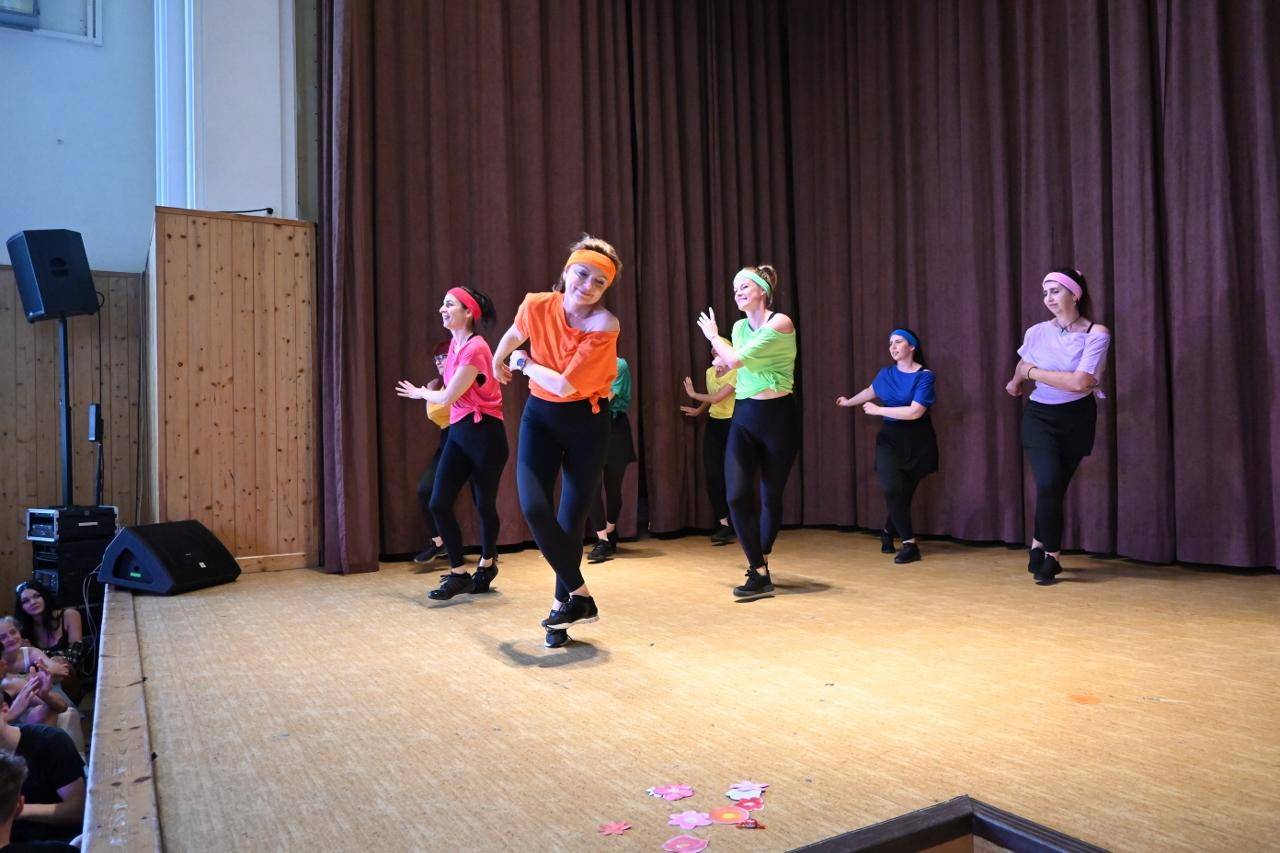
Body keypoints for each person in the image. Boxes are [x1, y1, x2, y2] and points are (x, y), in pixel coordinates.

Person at [492, 235, 621, 647]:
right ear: (566, 271)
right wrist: (498, 357)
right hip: (540, 418)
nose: (588, 285)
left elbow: (565, 385)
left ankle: (559, 613)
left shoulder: (604, 324)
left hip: (587, 422)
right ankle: (580, 596)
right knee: (534, 507)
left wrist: (522, 362)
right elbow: (515, 332)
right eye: (582, 274)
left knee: (570, 522)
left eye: (599, 281)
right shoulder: (536, 304)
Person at [396, 286, 508, 599]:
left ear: (468, 312)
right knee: (438, 502)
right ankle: (459, 573)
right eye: (442, 304)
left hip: (485, 435)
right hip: (459, 432)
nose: (442, 310)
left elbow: (448, 396)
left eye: (449, 305)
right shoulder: (455, 348)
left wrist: (421, 392)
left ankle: (487, 563)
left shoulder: (476, 348)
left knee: (484, 504)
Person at [695, 265, 798, 598]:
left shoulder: (780, 323)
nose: (737, 292)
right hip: (745, 415)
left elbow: (737, 360)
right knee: (736, 495)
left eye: (744, 286)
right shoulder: (739, 327)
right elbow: (735, 361)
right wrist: (722, 359)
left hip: (778, 417)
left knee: (771, 494)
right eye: (734, 288)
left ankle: (761, 561)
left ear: (762, 291)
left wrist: (714, 337)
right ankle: (758, 570)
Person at [1006, 267, 1111, 585]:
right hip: (1039, 416)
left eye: (1055, 291)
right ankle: (1052, 554)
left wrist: (1032, 373)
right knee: (1049, 481)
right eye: (1045, 293)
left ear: (1075, 295)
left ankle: (1039, 542)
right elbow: (1022, 364)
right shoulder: (1036, 331)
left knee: (1054, 488)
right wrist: (1016, 381)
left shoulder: (1096, 333)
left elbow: (1080, 382)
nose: (1048, 298)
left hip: (1077, 419)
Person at [836, 328, 938, 563]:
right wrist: (849, 402)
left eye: (898, 342)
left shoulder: (925, 376)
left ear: (912, 347)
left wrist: (879, 410)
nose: (893, 347)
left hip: (918, 441)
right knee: (892, 489)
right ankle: (909, 544)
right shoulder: (885, 373)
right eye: (890, 343)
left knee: (904, 494)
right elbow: (870, 391)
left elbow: (915, 412)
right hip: (890, 439)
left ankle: (887, 532)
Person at [0, 691, 85, 845]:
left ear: (5, 710)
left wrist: (15, 809)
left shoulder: (50, 741)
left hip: (60, 841)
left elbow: (78, 809)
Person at [681, 340, 738, 545]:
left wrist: (693, 394)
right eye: (713, 350)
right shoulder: (709, 372)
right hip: (714, 425)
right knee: (713, 473)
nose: (715, 352)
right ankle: (724, 524)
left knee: (734, 475)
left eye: (719, 348)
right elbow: (712, 397)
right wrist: (698, 410)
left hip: (733, 424)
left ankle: (740, 522)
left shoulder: (737, 371)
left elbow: (717, 397)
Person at [585, 357, 636, 563]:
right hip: (591, 428)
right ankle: (602, 539)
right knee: (591, 486)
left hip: (615, 428)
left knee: (613, 487)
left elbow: (605, 398)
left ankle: (610, 530)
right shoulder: (586, 364)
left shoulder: (619, 365)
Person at [411, 341, 454, 565]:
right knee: (425, 491)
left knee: (480, 497)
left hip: (467, 435)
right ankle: (439, 542)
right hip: (447, 438)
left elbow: (446, 404)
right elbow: (436, 414)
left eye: (443, 357)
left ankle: (489, 553)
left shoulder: (461, 380)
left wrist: (424, 394)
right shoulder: (435, 385)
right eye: (436, 359)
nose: (438, 362)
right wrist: (426, 393)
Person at [0, 622, 66, 729]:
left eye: (13, 632)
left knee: (44, 711)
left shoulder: (12, 683)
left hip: (16, 730)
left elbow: (62, 706)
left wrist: (45, 695)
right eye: (3, 637)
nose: (10, 638)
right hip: (8, 731)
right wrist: (10, 715)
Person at [12, 585, 83, 682]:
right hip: (40, 676)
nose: (33, 602)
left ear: (45, 597)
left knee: (59, 661)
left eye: (37, 596)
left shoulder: (69, 615)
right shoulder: (22, 628)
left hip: (68, 674)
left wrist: (33, 650)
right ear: (22, 608)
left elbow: (74, 655)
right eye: (26, 601)